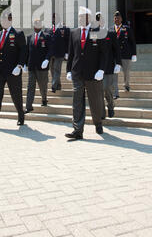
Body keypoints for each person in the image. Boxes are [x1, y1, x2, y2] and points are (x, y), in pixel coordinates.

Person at [65, 7, 108, 140]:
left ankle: (98, 123)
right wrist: (68, 70)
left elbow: (104, 53)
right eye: (79, 17)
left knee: (94, 101)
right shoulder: (74, 33)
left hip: (93, 73)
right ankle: (78, 130)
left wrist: (101, 69)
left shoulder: (98, 32)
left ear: (89, 18)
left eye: (82, 16)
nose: (80, 19)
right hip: (77, 72)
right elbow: (71, 54)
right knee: (77, 102)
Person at [95, 12, 121, 119]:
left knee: (106, 88)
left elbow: (117, 50)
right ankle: (102, 112)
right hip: (96, 67)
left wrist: (118, 63)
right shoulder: (94, 33)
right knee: (98, 91)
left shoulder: (111, 33)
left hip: (108, 66)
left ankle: (110, 106)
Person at [24, 19, 53, 113]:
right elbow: (27, 52)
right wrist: (24, 63)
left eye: (38, 25)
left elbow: (50, 50)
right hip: (32, 66)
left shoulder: (47, 36)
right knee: (30, 87)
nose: (36, 26)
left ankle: (44, 99)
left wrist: (47, 59)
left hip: (42, 66)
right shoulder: (29, 37)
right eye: (35, 25)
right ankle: (28, 107)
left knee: (43, 85)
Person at [111, 11, 137, 98]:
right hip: (114, 56)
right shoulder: (110, 29)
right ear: (113, 19)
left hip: (125, 54)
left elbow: (132, 41)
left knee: (126, 72)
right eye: (115, 18)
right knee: (114, 74)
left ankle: (126, 85)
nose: (116, 19)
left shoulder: (127, 28)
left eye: (118, 18)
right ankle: (115, 92)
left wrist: (134, 54)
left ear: (121, 19)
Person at [45, 13, 70, 93]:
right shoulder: (47, 29)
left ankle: (54, 86)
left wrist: (67, 52)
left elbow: (68, 42)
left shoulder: (65, 29)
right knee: (52, 70)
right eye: (52, 18)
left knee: (57, 69)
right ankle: (58, 85)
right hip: (50, 53)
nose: (53, 19)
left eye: (55, 18)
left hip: (60, 53)